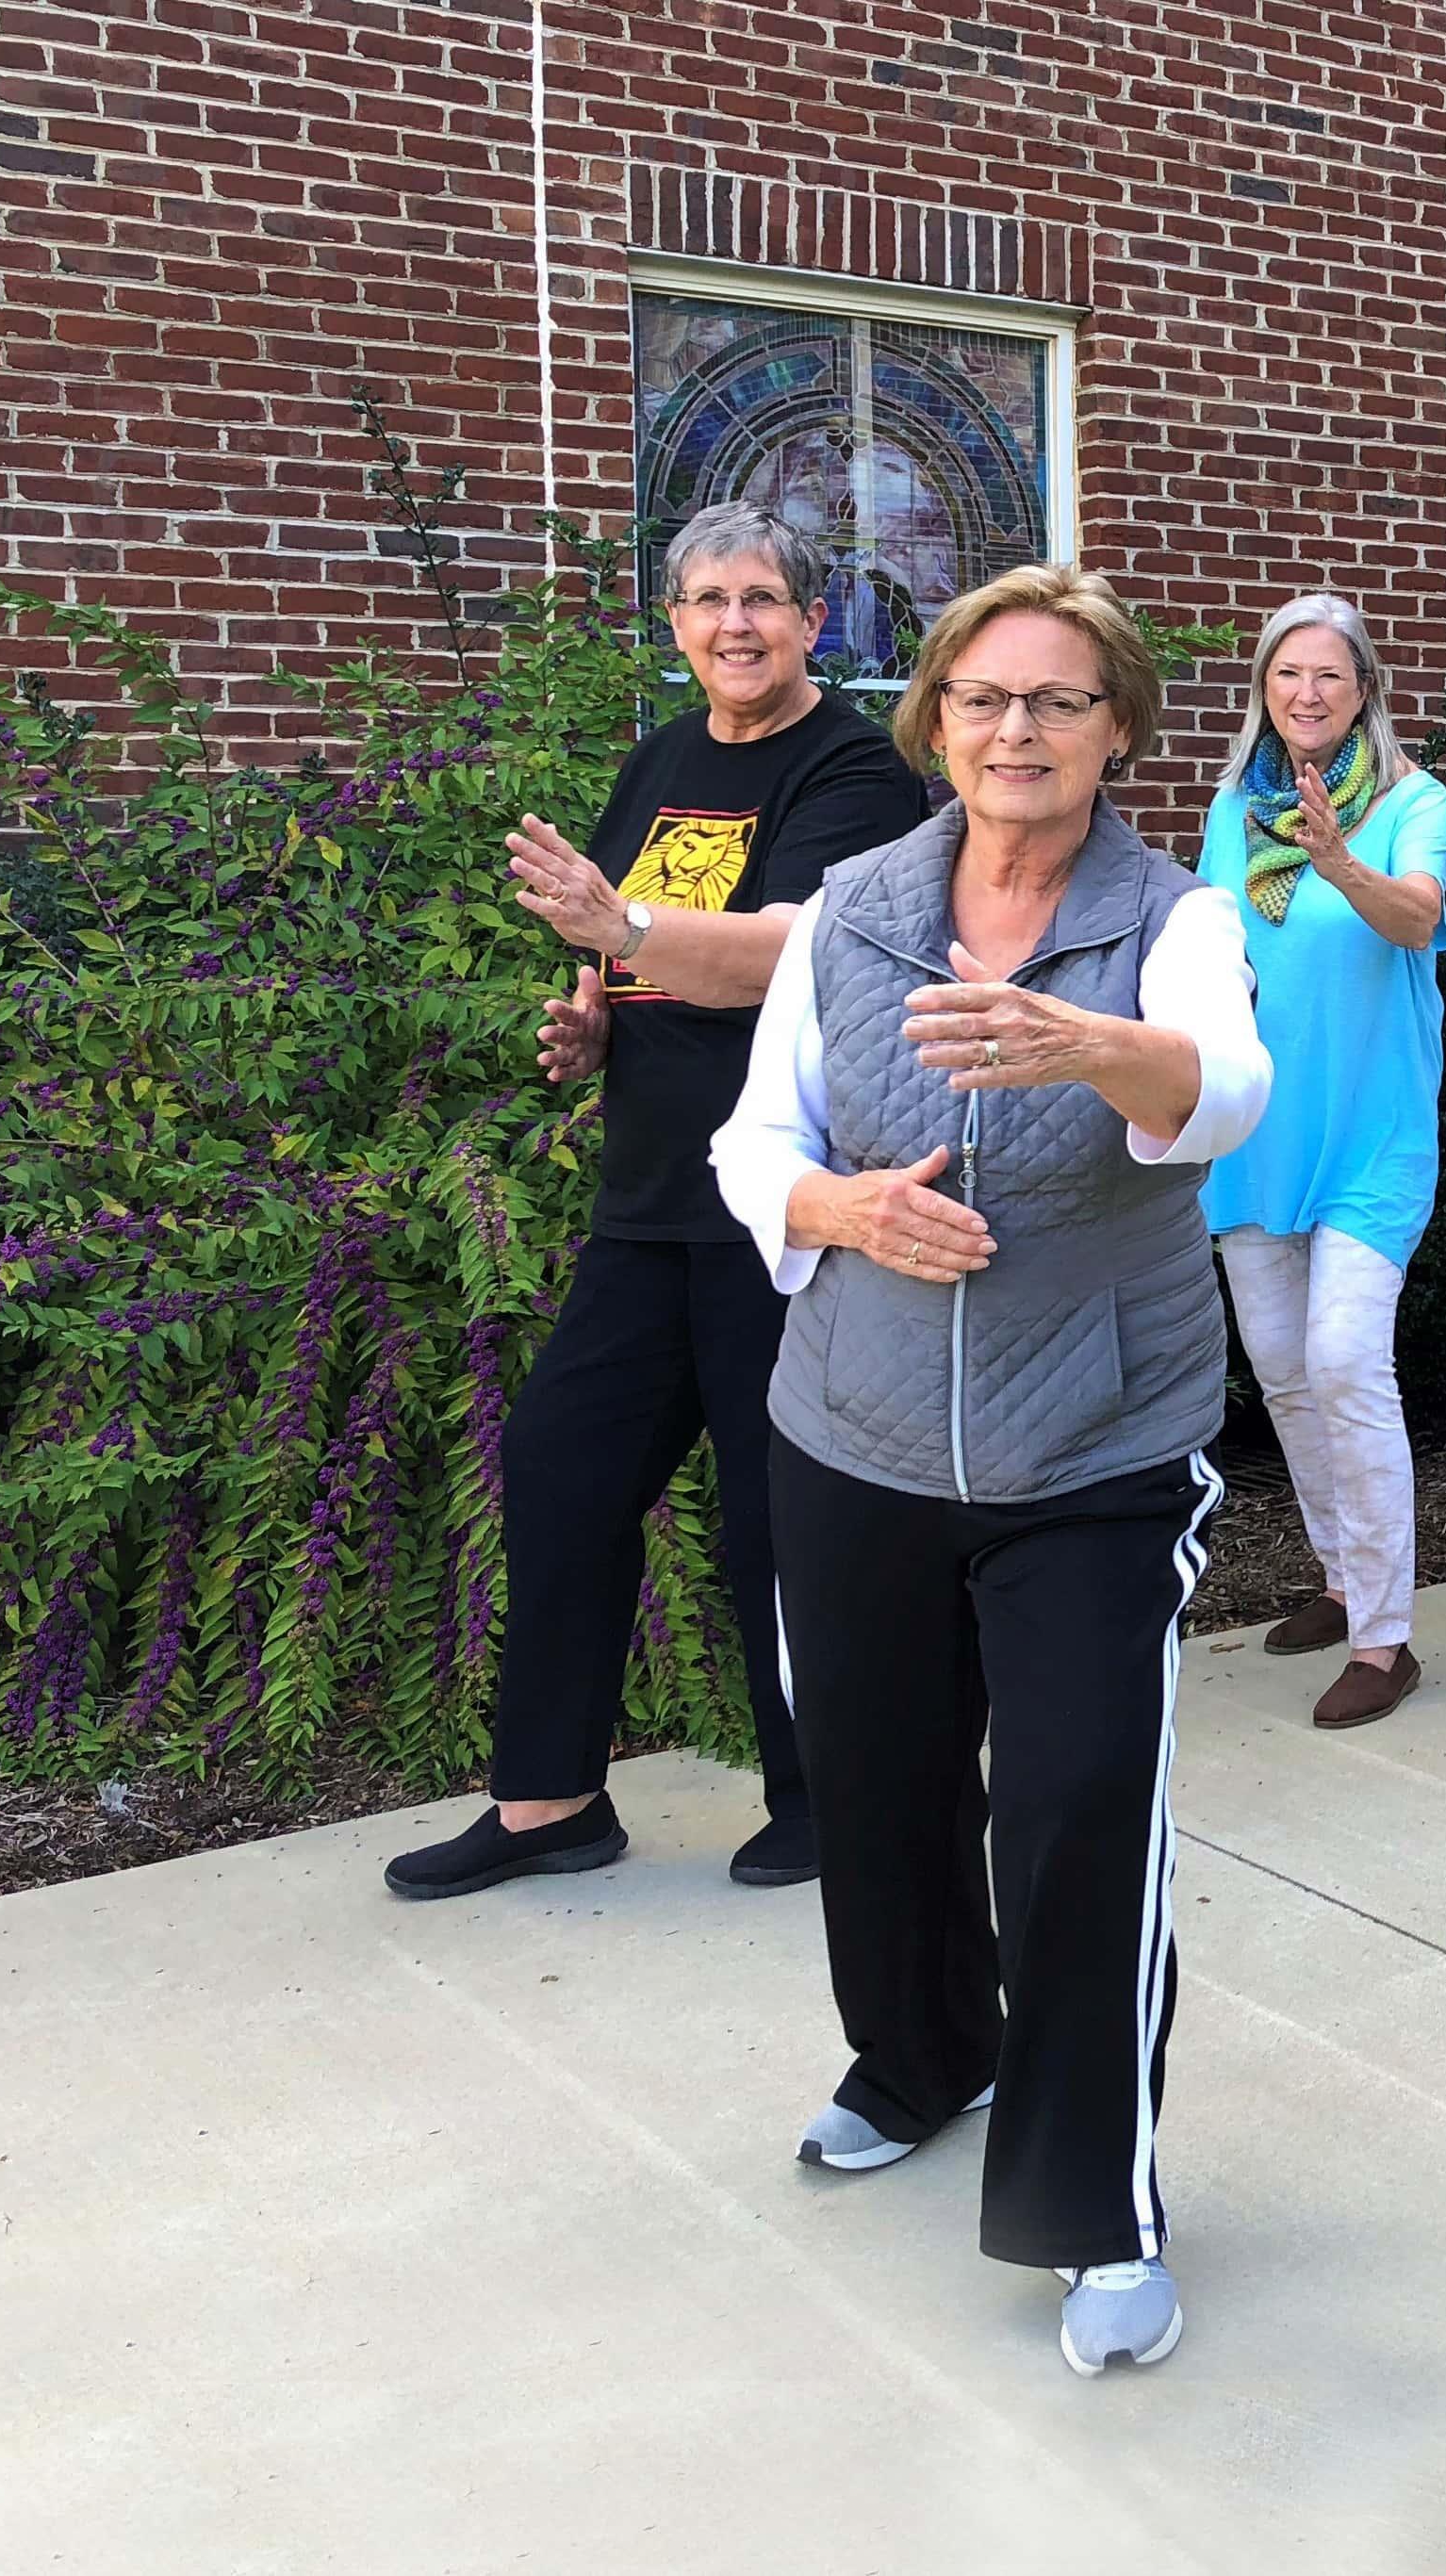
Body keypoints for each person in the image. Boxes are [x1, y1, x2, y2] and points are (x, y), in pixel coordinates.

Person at [713, 562, 1266, 2377]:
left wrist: (1089, 1043)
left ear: (1117, 729)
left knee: (1081, 1809)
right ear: (934, 717)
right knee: (870, 1788)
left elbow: (1227, 1091)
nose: (1015, 730)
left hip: (1095, 1446)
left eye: (1058, 700)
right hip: (853, 1429)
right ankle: (917, 2053)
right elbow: (755, 1137)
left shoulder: (1168, 920)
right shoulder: (852, 911)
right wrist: (837, 1206)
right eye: (984, 697)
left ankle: (1095, 2207)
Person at [386, 501, 929, 1901]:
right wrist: (596, 1019)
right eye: (705, 600)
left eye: (761, 597)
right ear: (675, 623)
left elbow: (791, 957)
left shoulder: (855, 775)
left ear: (814, 621)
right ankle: (550, 1801)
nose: (733, 624)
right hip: (646, 1202)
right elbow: (627, 960)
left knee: (780, 1512)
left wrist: (619, 929)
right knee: (564, 1468)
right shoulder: (663, 758)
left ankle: (829, 1795)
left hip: (783, 1204)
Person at [1196, 595, 1446, 1731]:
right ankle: (1344, 1575)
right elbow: (1210, 946)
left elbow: (1413, 919)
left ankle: (1386, 1639)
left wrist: (1340, 859)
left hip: (1371, 1130)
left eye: (1330, 679)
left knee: (1347, 1360)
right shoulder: (1232, 809)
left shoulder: (1410, 800)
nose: (1307, 694)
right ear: (1266, 686)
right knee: (1289, 1374)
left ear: (1364, 692)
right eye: (1288, 675)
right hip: (1257, 1133)